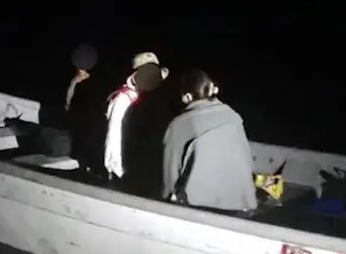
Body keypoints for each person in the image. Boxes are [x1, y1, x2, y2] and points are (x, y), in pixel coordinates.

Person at [162, 69, 257, 215]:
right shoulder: (234, 118)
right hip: (240, 205)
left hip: (196, 207)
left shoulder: (180, 124)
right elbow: (247, 162)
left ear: (187, 97)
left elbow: (170, 178)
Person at [104, 52, 169, 180]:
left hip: (148, 168)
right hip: (128, 171)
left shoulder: (154, 99)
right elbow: (113, 133)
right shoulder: (124, 98)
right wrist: (116, 169)